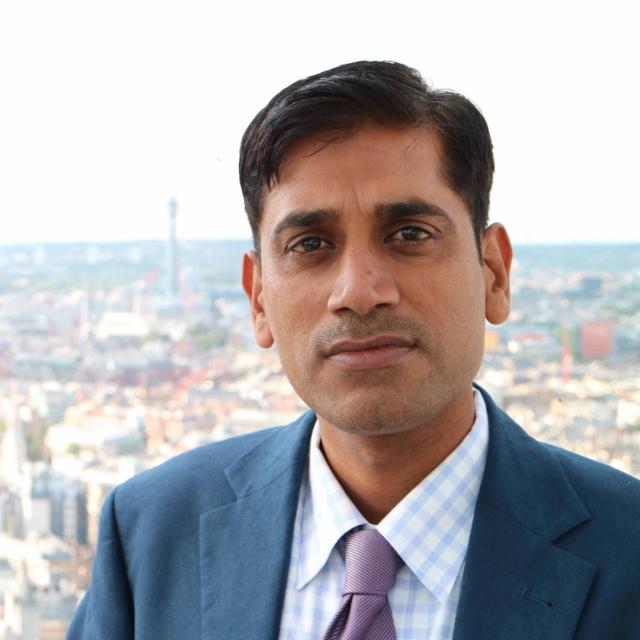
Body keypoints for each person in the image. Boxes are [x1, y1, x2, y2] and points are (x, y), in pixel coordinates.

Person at [67, 61, 640, 640]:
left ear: (494, 273)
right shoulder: (151, 534)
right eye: (310, 244)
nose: (359, 292)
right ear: (258, 297)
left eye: (409, 234)